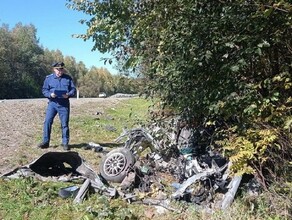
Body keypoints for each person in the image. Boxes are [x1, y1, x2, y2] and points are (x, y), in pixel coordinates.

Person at [38, 62, 76, 150]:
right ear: (54, 69)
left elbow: (73, 89)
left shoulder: (68, 78)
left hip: (64, 104)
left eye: (61, 69)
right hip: (52, 103)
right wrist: (50, 94)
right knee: (47, 122)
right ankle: (45, 142)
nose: (60, 71)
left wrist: (69, 94)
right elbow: (44, 90)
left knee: (64, 124)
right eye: (58, 69)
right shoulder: (49, 78)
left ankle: (65, 143)